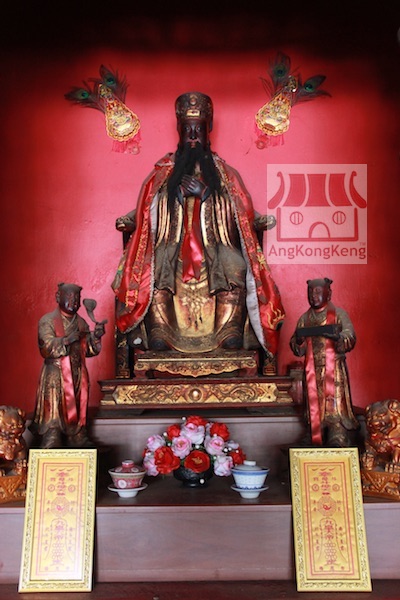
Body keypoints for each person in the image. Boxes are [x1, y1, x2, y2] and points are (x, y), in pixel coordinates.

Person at [112, 92, 284, 365]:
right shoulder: (163, 172)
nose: (193, 136)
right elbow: (146, 206)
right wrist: (170, 200)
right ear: (180, 131)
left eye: (198, 130)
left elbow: (241, 209)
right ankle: (161, 332)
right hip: (172, 242)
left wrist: (207, 196)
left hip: (216, 245)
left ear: (208, 130)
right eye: (188, 130)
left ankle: (229, 332)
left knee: (235, 265)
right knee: (158, 266)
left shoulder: (225, 173)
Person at [30, 283, 106, 449]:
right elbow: (45, 345)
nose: (74, 301)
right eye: (70, 297)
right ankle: (52, 433)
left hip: (77, 370)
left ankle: (76, 433)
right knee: (54, 402)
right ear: (58, 297)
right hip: (55, 370)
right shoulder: (48, 320)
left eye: (77, 297)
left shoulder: (81, 323)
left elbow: (89, 350)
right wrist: (66, 340)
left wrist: (96, 336)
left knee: (77, 401)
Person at [290, 278, 359, 447]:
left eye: (318, 292)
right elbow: (297, 346)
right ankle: (315, 429)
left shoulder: (338, 314)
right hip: (312, 367)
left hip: (333, 367)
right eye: (310, 292)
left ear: (329, 293)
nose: (314, 296)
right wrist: (298, 341)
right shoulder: (305, 318)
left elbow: (350, 335)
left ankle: (337, 430)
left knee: (334, 400)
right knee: (314, 400)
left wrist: (338, 337)